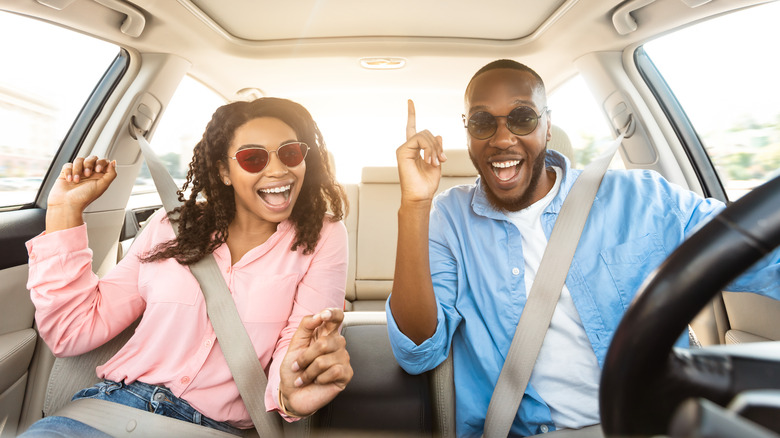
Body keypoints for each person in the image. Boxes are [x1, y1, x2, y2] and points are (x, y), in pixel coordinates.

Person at [386, 59, 780, 437]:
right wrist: (414, 205)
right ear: (467, 130)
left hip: (649, 426)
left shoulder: (643, 199)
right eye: (482, 122)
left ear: (547, 125)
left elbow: (764, 258)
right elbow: (419, 351)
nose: (502, 139)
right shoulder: (449, 219)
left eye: (522, 118)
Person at [23, 97, 353, 437]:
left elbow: (297, 342)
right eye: (253, 158)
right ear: (224, 172)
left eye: (290, 153)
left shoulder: (324, 236)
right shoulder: (171, 225)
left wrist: (291, 390)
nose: (278, 169)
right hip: (108, 408)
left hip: (209, 428)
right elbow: (73, 330)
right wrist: (64, 209)